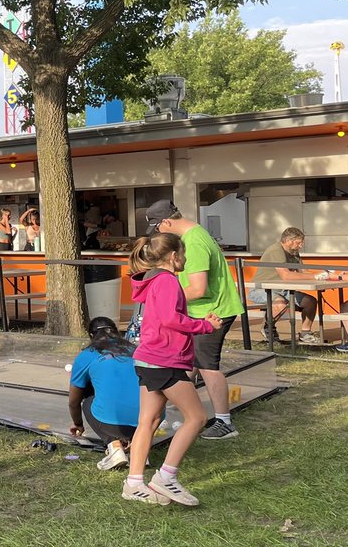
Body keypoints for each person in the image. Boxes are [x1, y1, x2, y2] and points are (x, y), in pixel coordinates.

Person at [122, 233, 222, 507]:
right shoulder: (167, 281)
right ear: (174, 256)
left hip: (148, 358)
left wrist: (199, 321)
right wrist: (205, 326)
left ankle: (133, 483)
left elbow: (167, 316)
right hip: (165, 360)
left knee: (149, 421)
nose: (186, 259)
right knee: (197, 418)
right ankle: (166, 477)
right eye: (184, 254)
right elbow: (170, 319)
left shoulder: (154, 280)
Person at [145, 200, 247, 441]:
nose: (159, 234)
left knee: (208, 367)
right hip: (206, 310)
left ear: (167, 222)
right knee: (188, 362)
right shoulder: (195, 234)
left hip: (212, 312)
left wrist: (163, 299)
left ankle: (224, 421)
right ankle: (180, 403)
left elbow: (198, 289)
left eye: (158, 228)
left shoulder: (194, 243)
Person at [68, 317, 141, 470]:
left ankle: (114, 446)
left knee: (88, 398)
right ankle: (140, 446)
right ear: (116, 331)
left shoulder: (87, 355)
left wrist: (78, 424)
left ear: (91, 335)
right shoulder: (135, 349)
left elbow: (74, 401)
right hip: (147, 420)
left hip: (112, 424)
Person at [249, 226, 319, 346]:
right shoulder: (276, 250)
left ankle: (305, 333)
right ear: (288, 241)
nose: (301, 246)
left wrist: (322, 276)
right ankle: (268, 328)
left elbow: (302, 271)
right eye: (299, 243)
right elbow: (286, 275)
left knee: (310, 302)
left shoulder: (294, 252)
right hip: (262, 289)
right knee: (280, 303)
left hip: (283, 289)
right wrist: (314, 277)